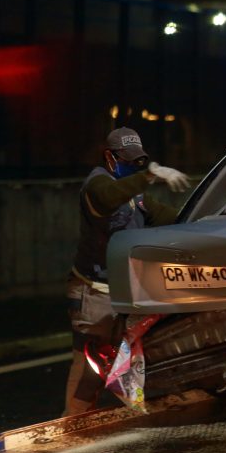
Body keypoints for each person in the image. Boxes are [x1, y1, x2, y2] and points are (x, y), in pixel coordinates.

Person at [64, 127, 189, 416]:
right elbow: (110, 197)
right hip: (93, 290)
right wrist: (147, 177)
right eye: (126, 160)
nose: (132, 166)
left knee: (124, 357)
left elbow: (167, 216)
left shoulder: (136, 195)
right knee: (87, 365)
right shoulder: (97, 185)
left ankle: (90, 421)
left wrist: (208, 215)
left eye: (138, 162)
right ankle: (71, 426)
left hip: (123, 289)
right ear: (109, 156)